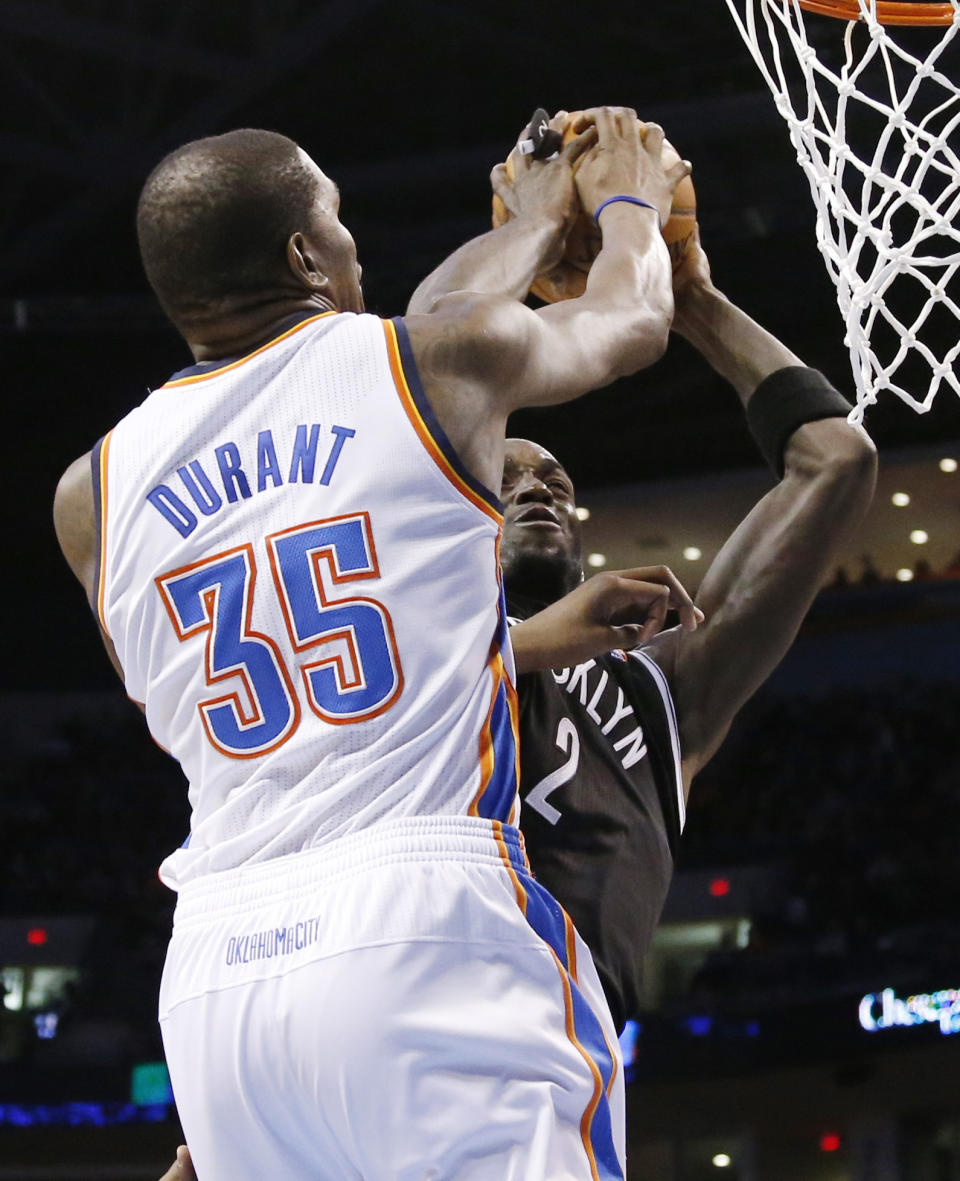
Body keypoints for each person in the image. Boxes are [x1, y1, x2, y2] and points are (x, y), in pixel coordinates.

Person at [53, 113, 696, 1179]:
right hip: (425, 920)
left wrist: (536, 221)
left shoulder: (92, 493)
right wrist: (628, 198)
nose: (356, 249)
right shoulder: (433, 366)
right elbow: (627, 319)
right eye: (338, 224)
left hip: (220, 977)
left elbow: (412, 334)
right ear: (306, 255)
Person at [407, 159, 878, 1033]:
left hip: (549, 1047)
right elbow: (420, 360)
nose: (537, 484)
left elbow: (836, 460)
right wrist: (534, 232)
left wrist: (692, 297)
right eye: (504, 478)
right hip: (395, 1010)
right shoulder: (399, 639)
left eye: (553, 477)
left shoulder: (663, 687)